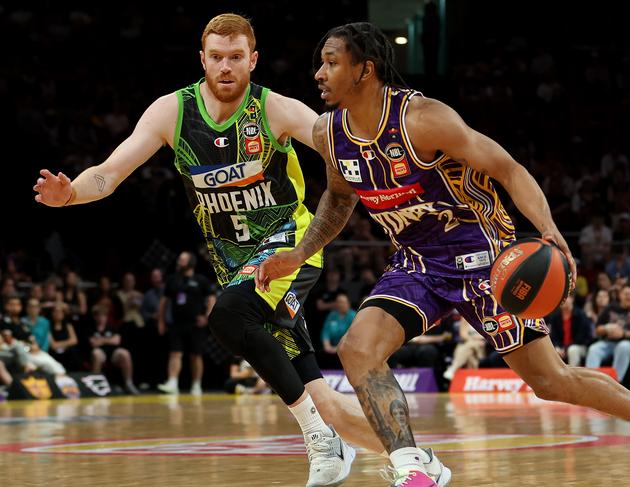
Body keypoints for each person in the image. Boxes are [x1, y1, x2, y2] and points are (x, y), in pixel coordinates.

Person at [32, 13, 449, 486]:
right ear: (202, 60)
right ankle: (416, 461)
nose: (225, 67)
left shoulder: (278, 110)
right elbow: (108, 173)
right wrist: (72, 194)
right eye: (216, 57)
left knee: (228, 317)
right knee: (325, 398)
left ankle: (319, 438)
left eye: (235, 57)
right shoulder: (172, 112)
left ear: (253, 60)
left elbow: (347, 150)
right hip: (235, 264)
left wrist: (409, 197)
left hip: (289, 247)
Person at [255, 21, 630, 486]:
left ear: (365, 70)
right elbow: (339, 200)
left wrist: (547, 229)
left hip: (485, 256)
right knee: (357, 349)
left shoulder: (424, 118)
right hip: (417, 262)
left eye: (331, 62)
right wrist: (298, 254)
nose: (318, 73)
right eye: (321, 62)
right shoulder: (328, 132)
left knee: (550, 381)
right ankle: (413, 467)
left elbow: (508, 167)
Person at [157, 251, 217, 396]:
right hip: (176, 323)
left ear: (191, 262)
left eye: (182, 259)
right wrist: (161, 321)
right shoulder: (172, 279)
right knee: (175, 353)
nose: (179, 261)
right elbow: (164, 302)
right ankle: (172, 382)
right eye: (179, 258)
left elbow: (211, 298)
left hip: (196, 324)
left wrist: (207, 317)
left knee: (195, 355)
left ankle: (196, 385)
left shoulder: (201, 280)